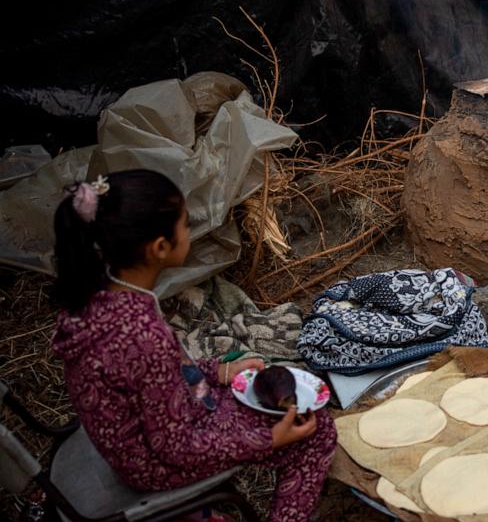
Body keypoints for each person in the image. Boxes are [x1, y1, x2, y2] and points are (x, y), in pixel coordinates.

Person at [51, 170, 336, 522]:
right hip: (153, 465)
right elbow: (176, 448)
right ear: (160, 247)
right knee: (316, 433)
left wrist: (218, 371)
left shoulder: (94, 295)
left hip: (129, 441)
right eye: (185, 225)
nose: (189, 233)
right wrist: (268, 440)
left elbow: (154, 381)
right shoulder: (140, 335)